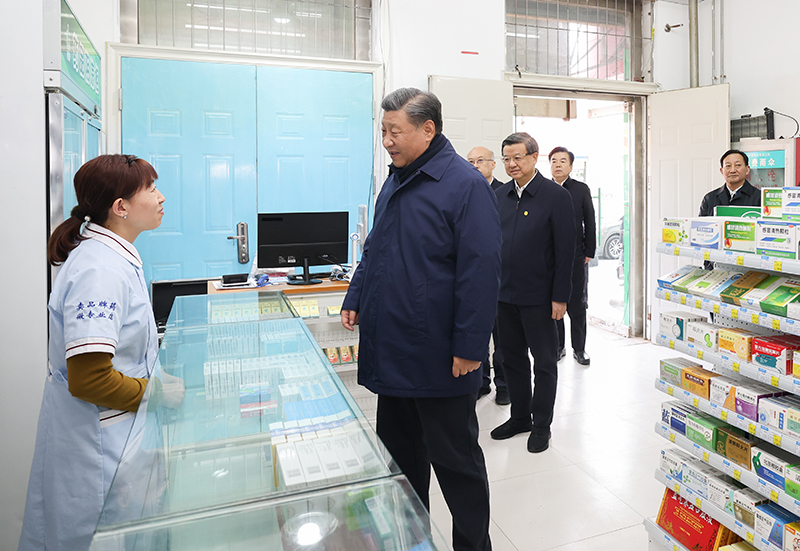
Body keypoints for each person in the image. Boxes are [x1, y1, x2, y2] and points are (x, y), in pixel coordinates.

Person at [341, 88, 501, 551]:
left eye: (395, 131)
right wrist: (357, 293)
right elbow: (375, 248)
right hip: (394, 351)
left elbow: (481, 273)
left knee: (457, 466)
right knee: (401, 467)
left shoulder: (464, 186)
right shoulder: (395, 180)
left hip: (439, 356)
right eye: (383, 131)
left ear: (428, 129)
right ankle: (412, 542)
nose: (387, 141)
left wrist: (470, 346)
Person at [19, 154, 177, 551]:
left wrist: (154, 377)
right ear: (120, 207)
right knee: (98, 538)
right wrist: (156, 393)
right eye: (150, 189)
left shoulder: (111, 255)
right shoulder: (100, 271)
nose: (160, 197)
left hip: (114, 431)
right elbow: (89, 379)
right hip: (98, 443)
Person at [490, 132, 575, 454]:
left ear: (533, 157)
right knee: (511, 360)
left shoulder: (556, 196)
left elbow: (566, 251)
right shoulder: (499, 196)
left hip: (540, 298)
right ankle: (519, 417)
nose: (512, 164)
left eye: (518, 157)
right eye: (507, 159)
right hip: (504, 296)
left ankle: (541, 425)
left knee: (544, 363)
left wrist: (560, 297)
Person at [467, 146, 508, 405]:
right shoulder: (465, 191)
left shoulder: (505, 192)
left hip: (502, 275)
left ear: (493, 164)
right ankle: (481, 382)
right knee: (477, 333)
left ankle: (504, 385)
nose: (475, 165)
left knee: (502, 338)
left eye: (480, 160)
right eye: (470, 161)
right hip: (474, 276)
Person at [549, 146, 596, 366]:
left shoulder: (580, 189)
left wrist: (589, 251)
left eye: (562, 161)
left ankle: (580, 349)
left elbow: (590, 220)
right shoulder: (545, 189)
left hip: (577, 255)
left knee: (577, 304)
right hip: (550, 257)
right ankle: (558, 347)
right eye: (554, 161)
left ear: (570, 166)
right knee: (554, 302)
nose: (557, 165)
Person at [699, 149, 760, 216]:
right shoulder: (710, 198)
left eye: (738, 165)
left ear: (747, 169)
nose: (732, 170)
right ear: (722, 171)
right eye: (728, 166)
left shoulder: (760, 197)